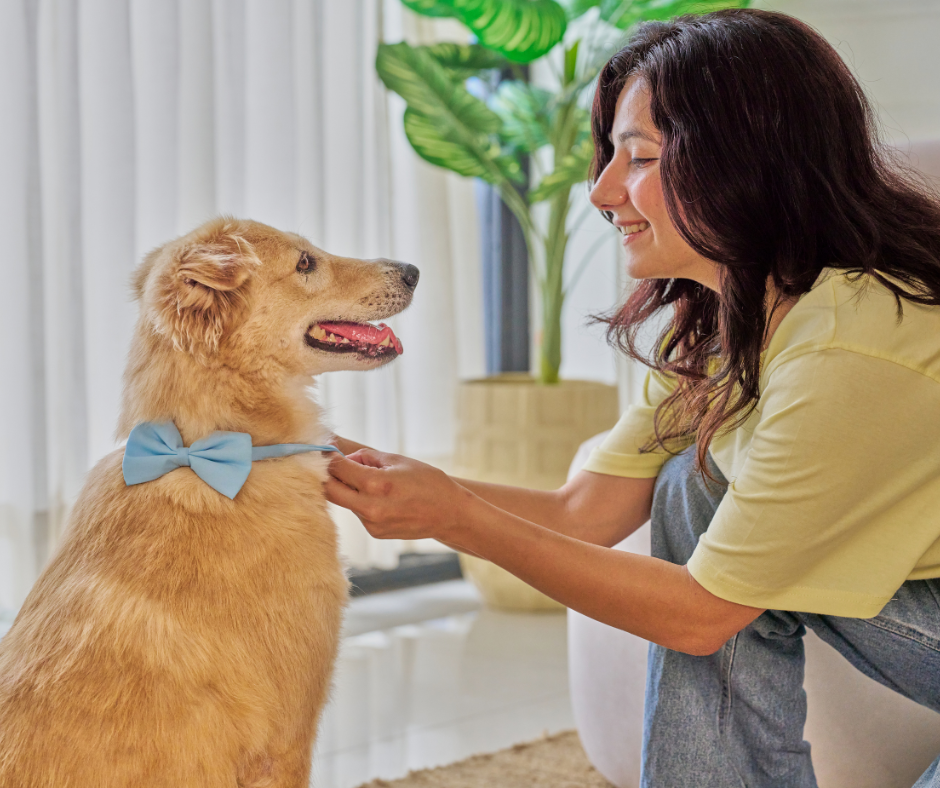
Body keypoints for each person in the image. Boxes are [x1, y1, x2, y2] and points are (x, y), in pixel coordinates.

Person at [326, 9, 940, 787]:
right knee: (692, 482)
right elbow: (585, 510)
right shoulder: (733, 322)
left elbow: (701, 613)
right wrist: (356, 467)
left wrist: (452, 517)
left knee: (702, 508)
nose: (602, 190)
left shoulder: (850, 345)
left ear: (746, 162)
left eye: (639, 157)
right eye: (611, 155)